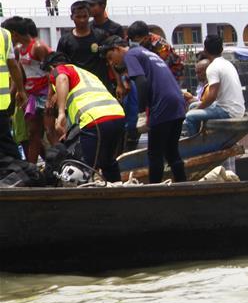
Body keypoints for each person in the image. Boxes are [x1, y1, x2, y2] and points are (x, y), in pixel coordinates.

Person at [103, 36, 187, 183]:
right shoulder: (146, 52)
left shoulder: (130, 55)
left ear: (117, 49)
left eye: (111, 57)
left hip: (162, 104)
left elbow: (141, 82)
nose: (112, 63)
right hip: (177, 102)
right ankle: (184, 186)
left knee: (155, 154)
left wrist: (141, 112)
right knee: (172, 152)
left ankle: (153, 192)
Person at [45, 53, 125, 182]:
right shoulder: (87, 74)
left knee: (85, 166)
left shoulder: (60, 69)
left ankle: (86, 199)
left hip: (95, 119)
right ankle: (117, 194)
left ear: (51, 68)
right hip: (117, 115)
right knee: (108, 162)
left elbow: (62, 79)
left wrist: (60, 113)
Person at [1, 16, 54, 163]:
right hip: (32, 95)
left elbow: (53, 72)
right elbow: (20, 73)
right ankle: (32, 169)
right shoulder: (19, 50)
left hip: (45, 94)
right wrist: (19, 91)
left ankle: (59, 165)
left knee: (50, 133)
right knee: (33, 134)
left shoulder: (38, 47)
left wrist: (51, 97)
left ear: (14, 34)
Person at [183, 35, 245, 136]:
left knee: (190, 116)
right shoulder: (228, 63)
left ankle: (195, 142)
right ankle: (200, 133)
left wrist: (198, 109)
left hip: (228, 111)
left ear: (205, 50)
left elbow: (212, 97)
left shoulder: (212, 68)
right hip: (237, 108)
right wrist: (197, 107)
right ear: (221, 49)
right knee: (193, 105)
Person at [55, 0, 110, 89]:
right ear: (72, 17)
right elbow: (60, 66)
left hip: (100, 85)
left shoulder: (101, 36)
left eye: (85, 16)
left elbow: (110, 59)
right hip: (77, 87)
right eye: (78, 17)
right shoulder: (64, 40)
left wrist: (119, 83)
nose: (82, 20)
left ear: (89, 16)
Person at [0, 25, 27, 160]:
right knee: (5, 140)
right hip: (2, 101)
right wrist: (21, 90)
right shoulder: (4, 35)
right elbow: (12, 65)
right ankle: (20, 170)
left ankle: (19, 170)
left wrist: (21, 90)